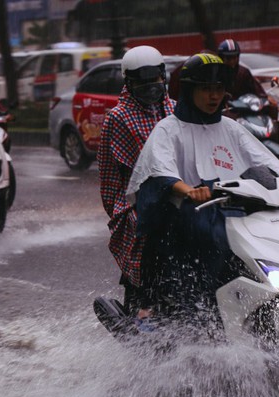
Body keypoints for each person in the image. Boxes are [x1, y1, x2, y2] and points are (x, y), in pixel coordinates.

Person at [126, 53, 279, 324]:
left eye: (218, 89)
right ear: (189, 91)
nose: (213, 96)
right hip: (190, 215)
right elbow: (159, 170)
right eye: (205, 89)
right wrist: (187, 190)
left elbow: (263, 161)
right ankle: (197, 311)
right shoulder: (168, 129)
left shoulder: (231, 127)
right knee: (206, 240)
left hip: (234, 210)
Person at [97, 45, 176, 318]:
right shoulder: (117, 118)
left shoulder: (175, 110)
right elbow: (118, 174)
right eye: (141, 82)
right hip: (139, 202)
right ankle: (145, 306)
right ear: (128, 83)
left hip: (181, 193)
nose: (150, 87)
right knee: (152, 233)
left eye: (154, 80)